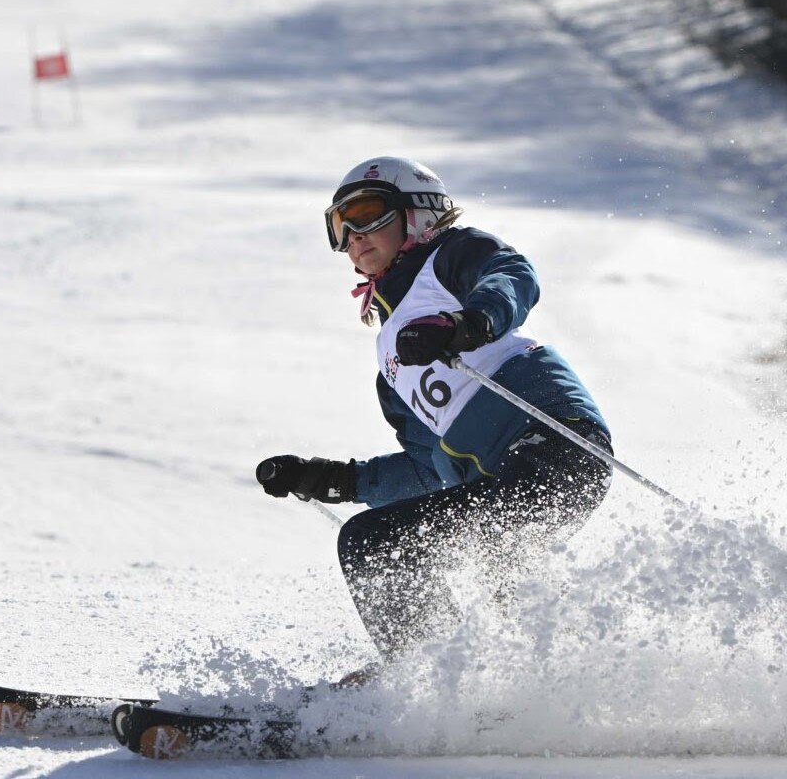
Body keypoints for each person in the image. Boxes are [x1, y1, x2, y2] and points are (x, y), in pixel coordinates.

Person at [256, 156, 614, 676]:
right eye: (339, 227)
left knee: (376, 544)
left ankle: (434, 683)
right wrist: (336, 479)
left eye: (367, 213)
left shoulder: (450, 257)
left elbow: (513, 276)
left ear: (418, 212)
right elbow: (428, 469)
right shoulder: (392, 360)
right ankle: (538, 687)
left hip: (558, 449)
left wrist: (467, 323)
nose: (354, 236)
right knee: (506, 585)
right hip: (499, 480)